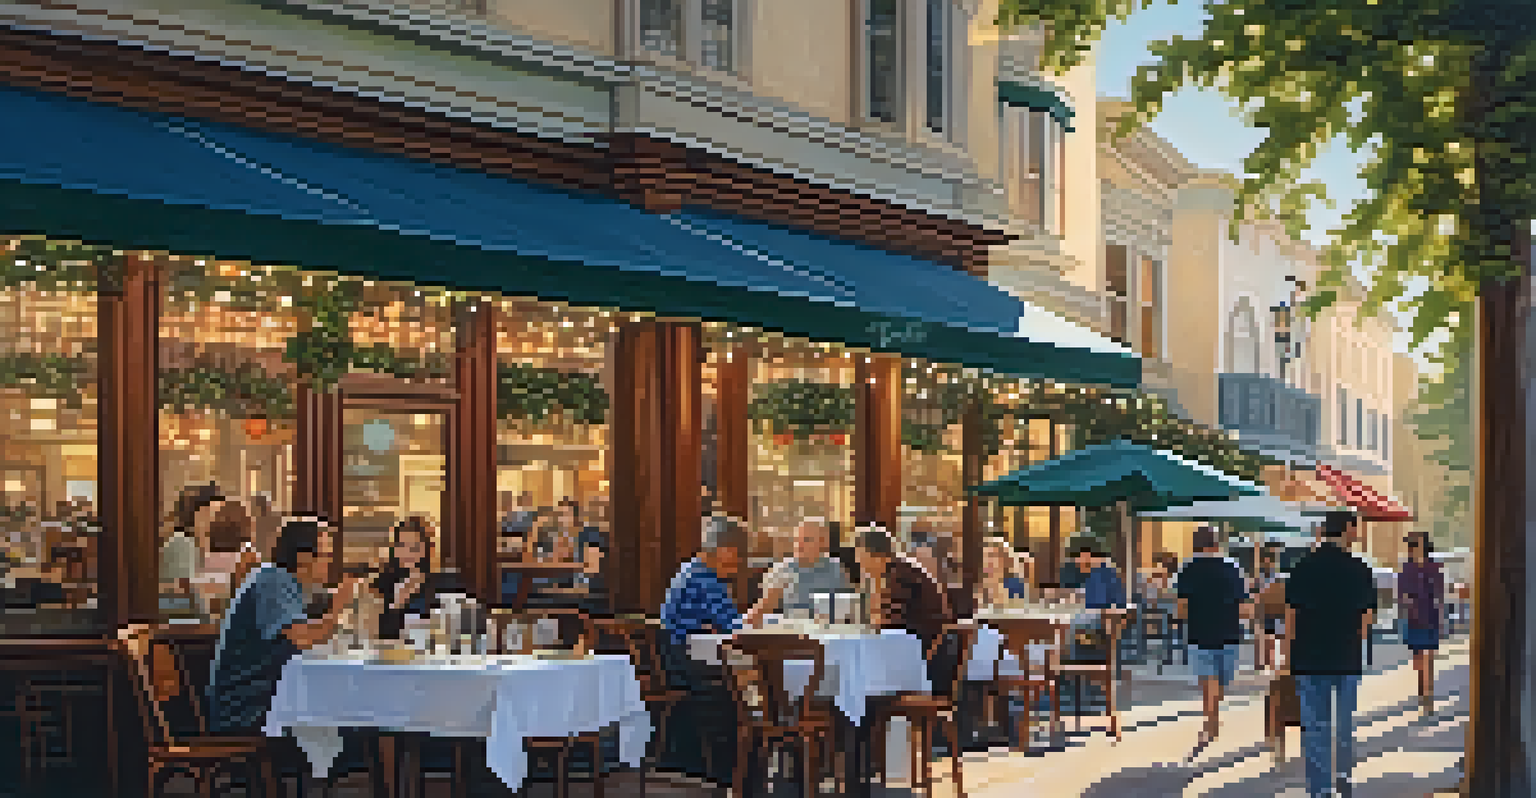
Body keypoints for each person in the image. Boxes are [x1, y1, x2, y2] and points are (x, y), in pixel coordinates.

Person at [207, 515, 363, 735]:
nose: (330, 563)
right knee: (354, 726)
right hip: (245, 711)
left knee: (348, 719)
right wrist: (338, 605)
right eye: (326, 556)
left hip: (265, 702)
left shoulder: (283, 583)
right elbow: (304, 638)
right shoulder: (273, 583)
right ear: (303, 559)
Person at [1285, 511, 1376, 798]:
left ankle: (1320, 789)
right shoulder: (1360, 569)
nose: (1357, 533)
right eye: (1356, 528)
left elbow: (1291, 617)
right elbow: (1367, 620)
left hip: (1309, 657)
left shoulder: (1302, 567)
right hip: (1346, 655)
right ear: (1347, 530)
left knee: (1315, 728)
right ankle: (1344, 776)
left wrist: (1289, 657)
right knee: (1344, 724)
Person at [657, 514, 748, 785]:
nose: (740, 563)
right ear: (725, 551)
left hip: (673, 663)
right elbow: (734, 626)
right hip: (690, 670)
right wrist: (764, 607)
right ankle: (733, 772)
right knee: (742, 691)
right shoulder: (707, 580)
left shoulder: (689, 570)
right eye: (739, 555)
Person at [1176, 525, 1251, 759]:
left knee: (1207, 679)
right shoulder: (1234, 568)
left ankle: (1210, 717)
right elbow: (1245, 608)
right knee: (1219, 680)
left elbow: (1181, 608)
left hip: (1199, 632)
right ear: (1217, 544)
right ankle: (1212, 718)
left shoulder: (1186, 570)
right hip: (1229, 632)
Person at [744, 518, 851, 626]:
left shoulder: (836, 568)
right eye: (796, 540)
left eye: (806, 540)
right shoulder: (782, 569)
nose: (799, 545)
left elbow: (847, 609)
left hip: (827, 630)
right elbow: (762, 608)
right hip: (792, 631)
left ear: (823, 542)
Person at [372, 516, 460, 641]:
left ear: (425, 550)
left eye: (414, 548)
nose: (406, 553)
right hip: (389, 654)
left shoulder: (442, 583)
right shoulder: (383, 582)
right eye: (401, 546)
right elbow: (378, 632)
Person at [1398, 533, 1445, 714]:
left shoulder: (1433, 567)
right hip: (1414, 618)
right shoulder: (1407, 567)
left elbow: (1439, 594)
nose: (1409, 549)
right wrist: (1406, 602)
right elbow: (1401, 592)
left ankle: (1429, 697)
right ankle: (1421, 695)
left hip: (1430, 617)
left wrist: (1441, 619)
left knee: (1429, 658)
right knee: (1418, 659)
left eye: (1412, 546)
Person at [975, 537, 1029, 609]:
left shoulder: (1015, 584)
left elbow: (1020, 607)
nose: (988, 561)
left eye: (992, 555)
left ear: (1003, 559)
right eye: (986, 556)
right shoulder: (978, 585)